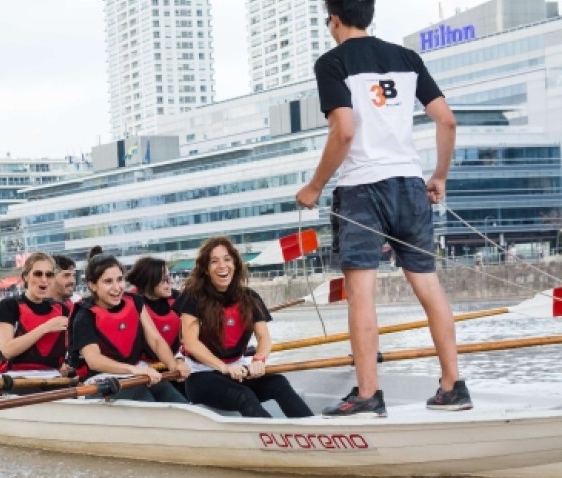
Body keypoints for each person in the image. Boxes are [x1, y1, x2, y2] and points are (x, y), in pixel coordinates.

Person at [295, 0, 470, 417]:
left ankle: (369, 394)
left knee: (362, 295)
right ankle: (452, 386)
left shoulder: (332, 63)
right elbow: (446, 120)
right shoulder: (407, 58)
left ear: (334, 19)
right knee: (429, 287)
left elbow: (344, 130)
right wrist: (439, 176)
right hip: (410, 183)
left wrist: (315, 185)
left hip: (362, 188)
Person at [177, 237, 313, 419]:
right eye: (214, 261)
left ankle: (311, 431)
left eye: (227, 259)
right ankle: (272, 439)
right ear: (206, 270)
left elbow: (264, 338)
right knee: (244, 395)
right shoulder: (192, 298)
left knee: (278, 383)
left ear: (235, 264)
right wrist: (223, 368)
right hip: (202, 375)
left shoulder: (250, 298)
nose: (222, 266)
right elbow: (191, 343)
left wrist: (259, 359)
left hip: (237, 370)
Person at [68, 248, 189, 402]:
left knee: (181, 404)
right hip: (104, 380)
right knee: (149, 405)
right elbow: (94, 360)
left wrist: (173, 365)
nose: (117, 287)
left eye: (119, 279)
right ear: (92, 285)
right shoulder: (84, 315)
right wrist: (134, 370)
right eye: (108, 281)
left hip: (139, 374)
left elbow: (156, 340)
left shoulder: (135, 301)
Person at [0, 252, 69, 377]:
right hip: (16, 377)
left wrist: (68, 365)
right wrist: (46, 327)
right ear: (26, 276)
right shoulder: (8, 306)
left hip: (54, 376)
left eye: (49, 275)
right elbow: (7, 351)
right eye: (38, 274)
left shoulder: (62, 309)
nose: (44, 280)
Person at [126, 256, 187, 397]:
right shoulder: (131, 304)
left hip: (171, 362)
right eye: (164, 280)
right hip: (144, 368)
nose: (171, 282)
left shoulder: (177, 299)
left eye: (170, 277)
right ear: (149, 282)